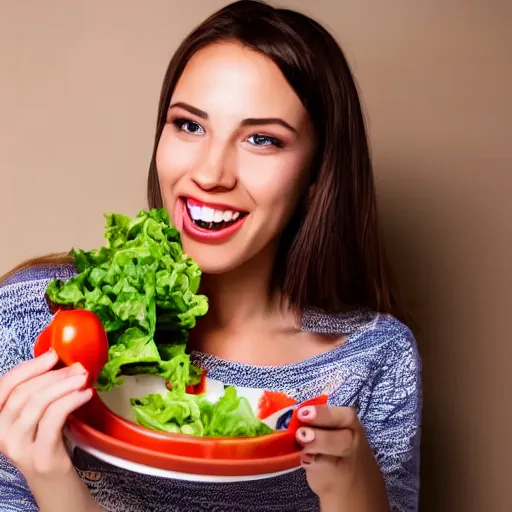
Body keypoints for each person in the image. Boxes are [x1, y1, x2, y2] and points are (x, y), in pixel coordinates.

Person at [0, 1, 422, 511]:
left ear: (317, 173)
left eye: (262, 139)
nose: (211, 173)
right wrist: (52, 480)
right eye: (190, 126)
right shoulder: (33, 321)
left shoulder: (373, 360)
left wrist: (356, 496)